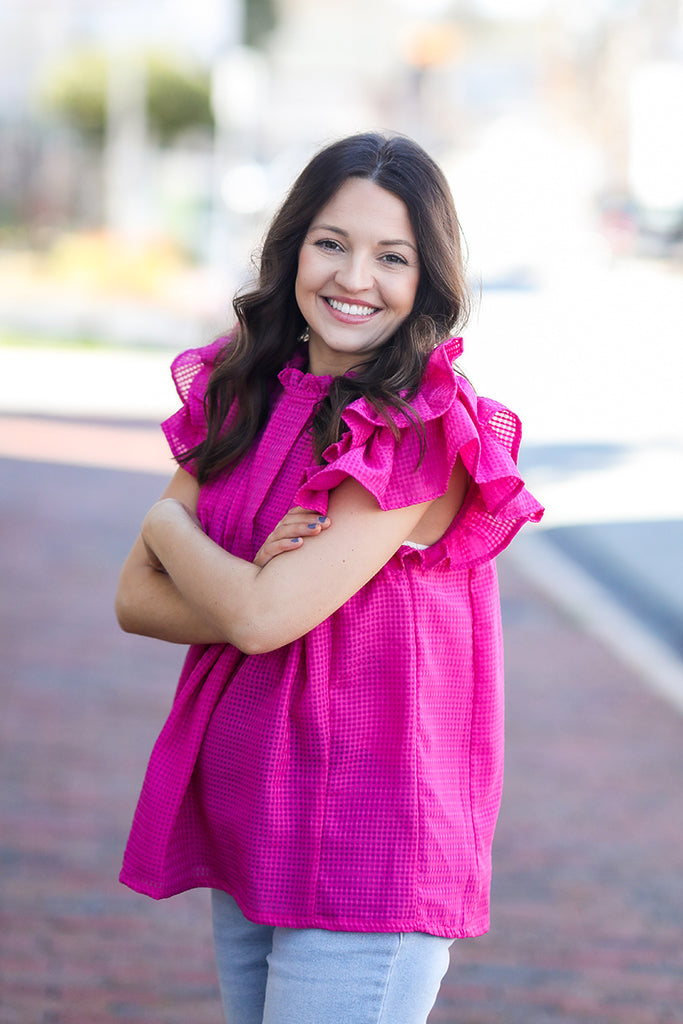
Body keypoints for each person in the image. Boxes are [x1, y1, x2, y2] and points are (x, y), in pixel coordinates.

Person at [116, 131, 544, 1024]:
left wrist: (169, 528)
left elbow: (264, 620)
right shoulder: (240, 396)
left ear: (428, 279)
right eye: (332, 243)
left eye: (392, 256)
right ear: (293, 248)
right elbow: (136, 598)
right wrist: (239, 586)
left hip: (370, 843)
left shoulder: (421, 429)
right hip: (252, 817)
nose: (355, 278)